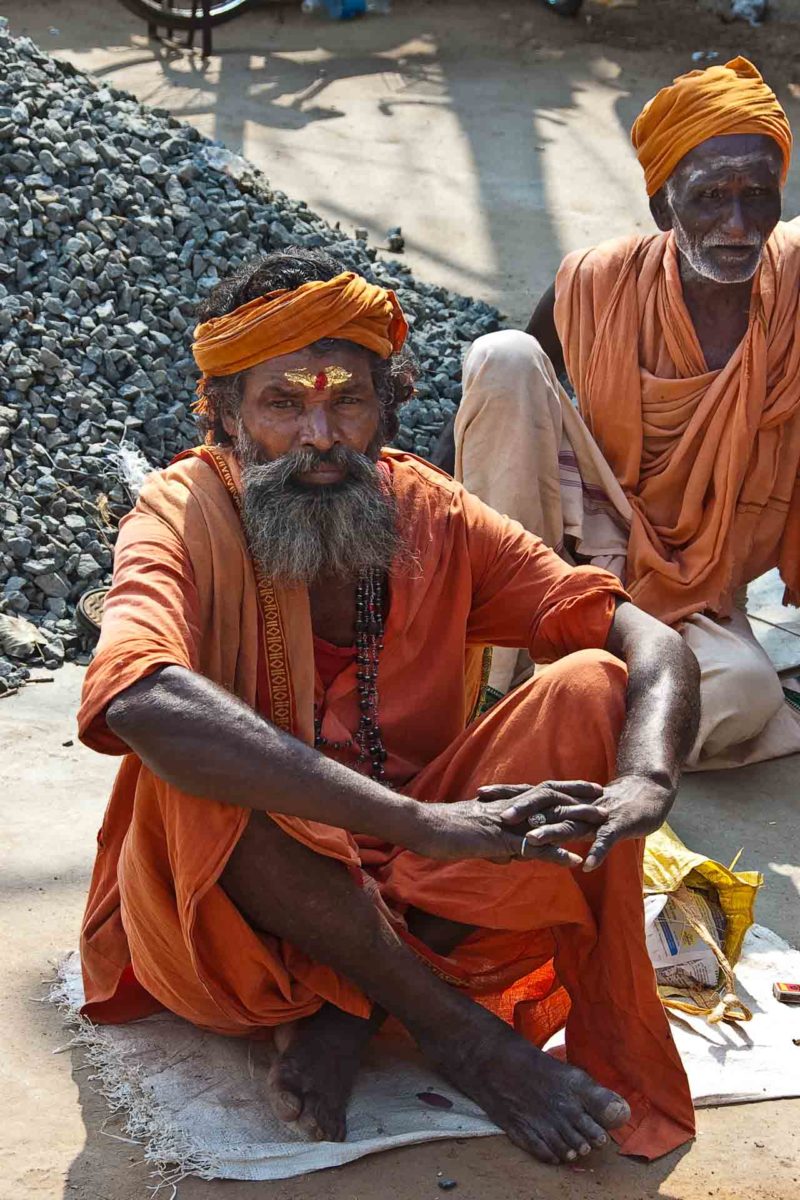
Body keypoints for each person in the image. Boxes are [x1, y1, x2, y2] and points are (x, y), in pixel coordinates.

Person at [78, 248, 699, 1165]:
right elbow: (136, 693)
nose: (321, 436)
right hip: (238, 928)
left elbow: (650, 641)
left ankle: (356, 1006)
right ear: (227, 419)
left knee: (591, 687)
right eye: (284, 405)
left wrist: (645, 779)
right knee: (192, 745)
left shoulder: (431, 510)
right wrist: (417, 818)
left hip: (425, 893)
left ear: (389, 406)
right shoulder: (179, 511)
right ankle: (457, 1033)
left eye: (347, 402)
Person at [440, 57, 800, 768]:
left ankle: (550, 717)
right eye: (710, 198)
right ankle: (501, 672)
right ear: (664, 207)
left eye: (758, 197)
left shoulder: (791, 289)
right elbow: (498, 415)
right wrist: (416, 533)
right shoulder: (597, 280)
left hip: (694, 587)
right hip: (570, 547)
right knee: (504, 356)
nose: (737, 224)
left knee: (747, 696)